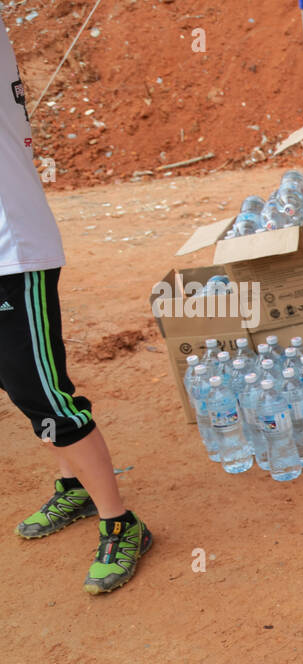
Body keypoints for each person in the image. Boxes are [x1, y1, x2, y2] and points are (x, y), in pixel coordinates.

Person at [3, 17, 152, 593]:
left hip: (14, 254)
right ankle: (75, 488)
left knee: (43, 392)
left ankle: (122, 520)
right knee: (24, 385)